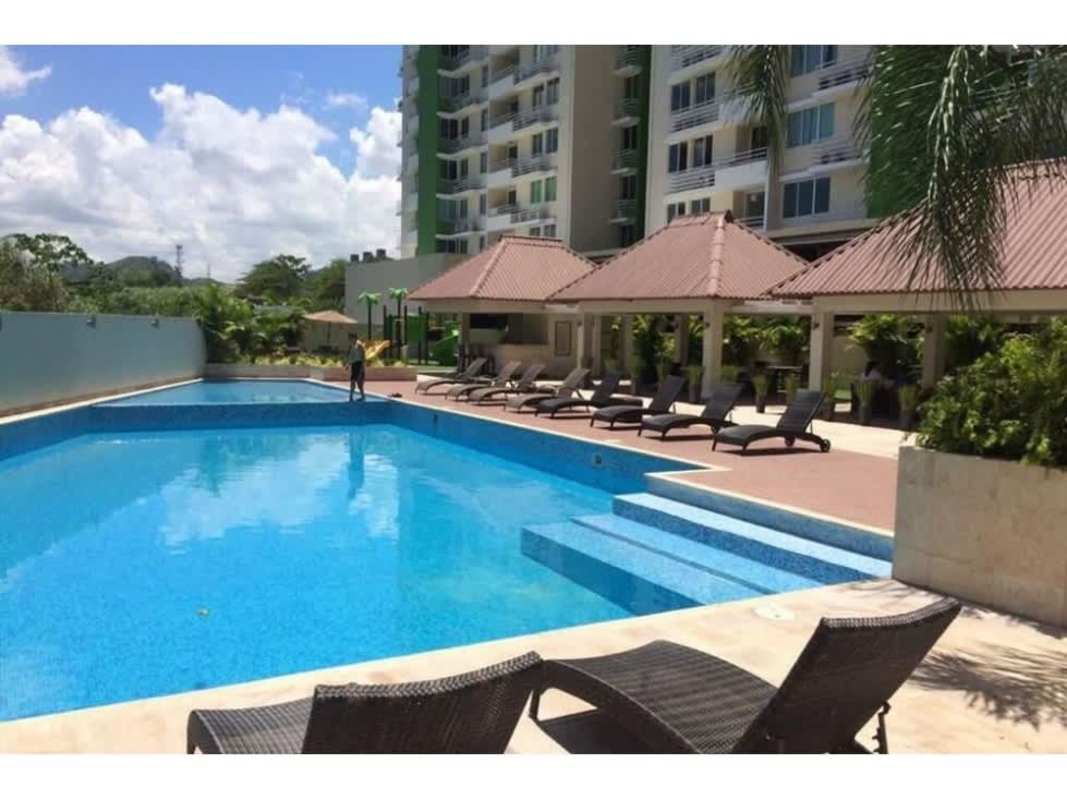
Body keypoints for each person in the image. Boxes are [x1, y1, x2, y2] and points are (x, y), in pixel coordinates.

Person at [347, 334, 366, 401]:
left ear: (354, 338)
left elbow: (363, 356)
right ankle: (351, 396)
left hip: (359, 364)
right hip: (354, 365)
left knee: (359, 382)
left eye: (351, 338)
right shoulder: (352, 345)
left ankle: (362, 396)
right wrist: (348, 364)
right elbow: (351, 356)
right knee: (353, 381)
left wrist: (362, 367)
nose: (350, 340)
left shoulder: (359, 345)